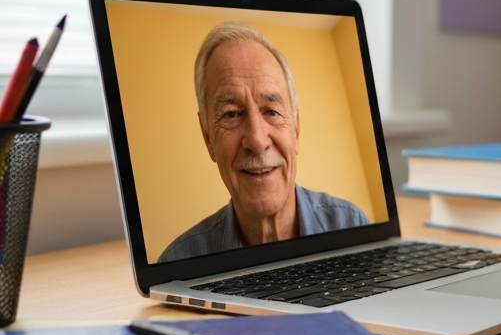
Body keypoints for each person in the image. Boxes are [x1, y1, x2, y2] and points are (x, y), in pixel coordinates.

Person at [158, 22, 369, 263]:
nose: (257, 141)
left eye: (271, 111)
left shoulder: (353, 229)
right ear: (208, 136)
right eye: (231, 114)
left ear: (296, 130)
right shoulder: (179, 266)